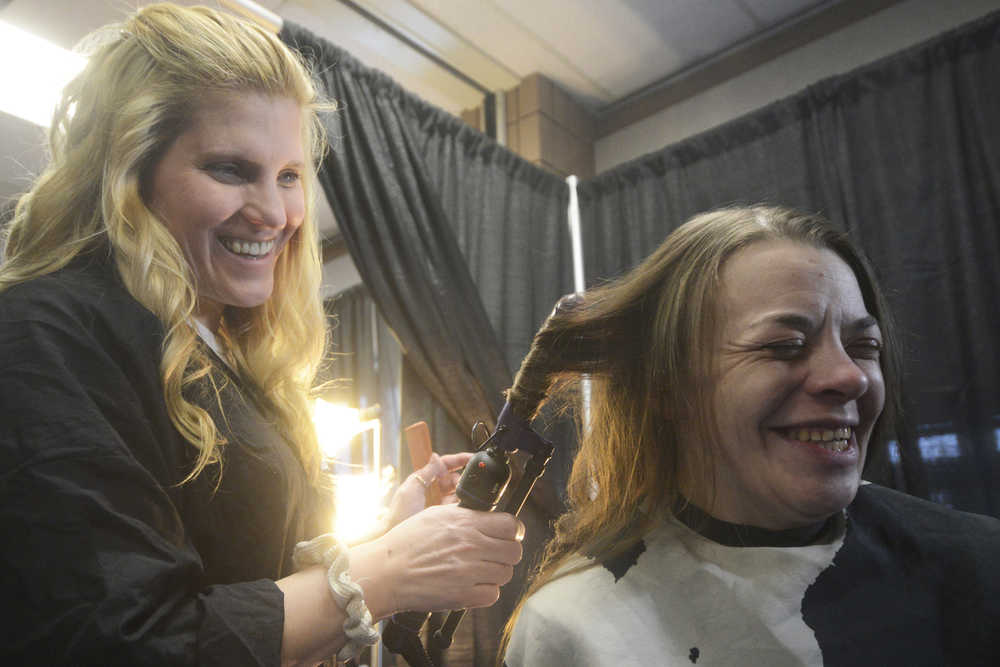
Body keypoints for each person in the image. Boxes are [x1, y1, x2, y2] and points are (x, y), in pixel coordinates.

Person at [0, 4, 522, 665]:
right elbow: (124, 638)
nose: (276, 214)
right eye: (229, 169)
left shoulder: (225, 350)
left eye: (289, 176)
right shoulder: (46, 333)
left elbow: (253, 575)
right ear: (131, 171)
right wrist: (385, 567)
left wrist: (393, 534)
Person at [501, 205, 1000, 666]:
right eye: (785, 346)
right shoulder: (573, 631)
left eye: (863, 345)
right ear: (665, 385)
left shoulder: (978, 567)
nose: (850, 377)